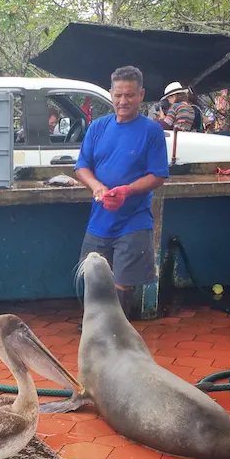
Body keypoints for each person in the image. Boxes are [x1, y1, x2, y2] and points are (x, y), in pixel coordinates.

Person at [74, 65, 169, 325]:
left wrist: (127, 190)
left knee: (124, 284)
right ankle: (93, 332)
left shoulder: (152, 131)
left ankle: (118, 336)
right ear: (110, 94)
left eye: (129, 95)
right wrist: (97, 187)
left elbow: (158, 174)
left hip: (134, 220)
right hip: (99, 218)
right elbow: (82, 167)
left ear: (141, 95)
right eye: (117, 95)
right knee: (92, 278)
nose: (122, 101)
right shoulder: (98, 128)